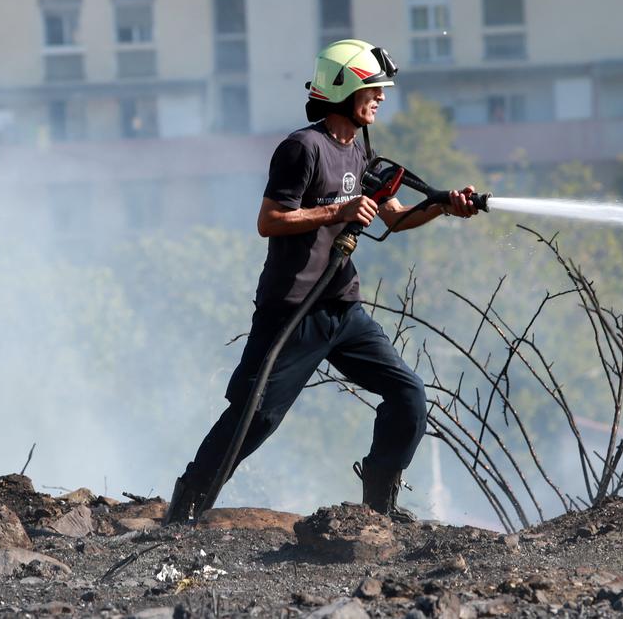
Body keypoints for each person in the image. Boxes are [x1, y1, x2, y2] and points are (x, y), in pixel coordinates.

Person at [164, 39, 480, 525]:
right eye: (373, 89)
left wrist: (443, 206)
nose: (380, 98)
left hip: (341, 308)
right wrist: (339, 210)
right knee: (257, 415)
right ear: (345, 89)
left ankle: (378, 509)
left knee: (408, 395)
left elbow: (393, 219)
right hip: (293, 310)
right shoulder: (301, 148)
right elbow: (270, 220)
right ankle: (187, 504)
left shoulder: (359, 150)